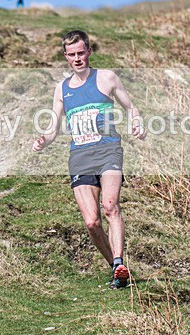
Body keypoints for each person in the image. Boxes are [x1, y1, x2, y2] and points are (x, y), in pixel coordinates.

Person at [33, 30, 146, 289]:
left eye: (81, 53)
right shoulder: (61, 88)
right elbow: (54, 127)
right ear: (66, 57)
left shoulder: (106, 78)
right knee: (92, 222)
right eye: (71, 55)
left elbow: (131, 107)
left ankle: (119, 261)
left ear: (89, 52)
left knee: (110, 206)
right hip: (80, 157)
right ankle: (117, 269)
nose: (77, 58)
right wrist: (43, 140)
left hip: (108, 151)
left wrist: (136, 124)